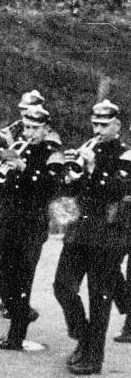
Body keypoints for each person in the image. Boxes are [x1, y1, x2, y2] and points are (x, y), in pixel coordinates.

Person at [52, 100, 131, 375]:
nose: (97, 129)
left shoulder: (126, 155)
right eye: (95, 123)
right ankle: (83, 338)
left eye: (104, 124)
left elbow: (117, 190)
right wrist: (71, 176)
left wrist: (93, 169)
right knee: (62, 287)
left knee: (100, 300)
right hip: (79, 232)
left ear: (117, 125)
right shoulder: (87, 150)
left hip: (107, 235)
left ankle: (93, 358)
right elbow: (66, 190)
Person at [0, 104, 63, 350]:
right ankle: (22, 312)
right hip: (7, 219)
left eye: (35, 128)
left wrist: (23, 168)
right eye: (27, 127)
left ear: (46, 129)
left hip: (31, 223)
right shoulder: (17, 148)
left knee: (22, 278)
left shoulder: (52, 154)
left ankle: (16, 336)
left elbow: (51, 188)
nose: (29, 133)